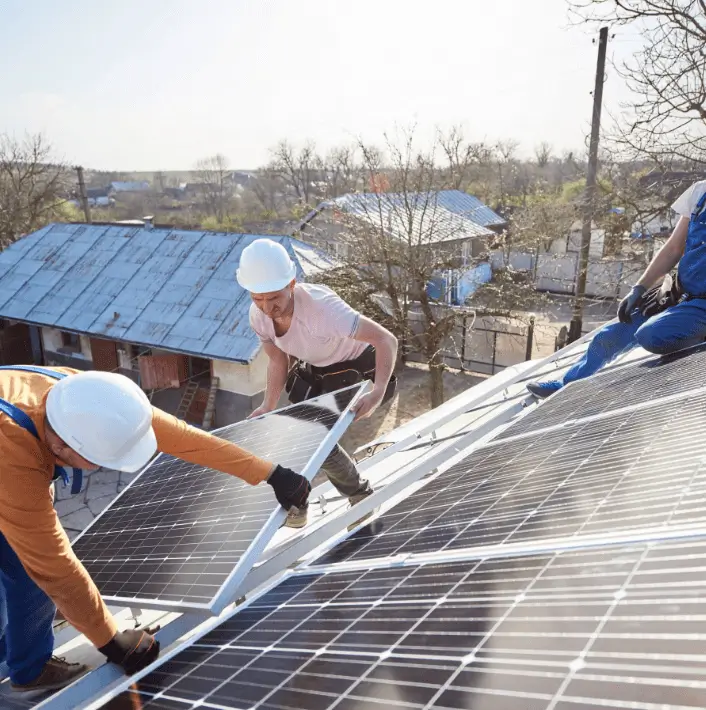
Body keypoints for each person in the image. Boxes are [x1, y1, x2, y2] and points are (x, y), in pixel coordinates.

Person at [0, 365, 309, 697]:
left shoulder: (81, 397)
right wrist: (111, 641)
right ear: (60, 447)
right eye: (98, 460)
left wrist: (269, 473)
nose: (104, 467)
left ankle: (23, 661)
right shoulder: (14, 455)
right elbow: (54, 565)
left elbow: (183, 437)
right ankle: (29, 669)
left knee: (24, 570)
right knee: (32, 566)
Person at [237, 238, 399, 528]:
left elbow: (386, 339)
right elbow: (278, 361)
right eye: (257, 298)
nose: (266, 307)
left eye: (273, 297)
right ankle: (298, 503)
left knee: (314, 438)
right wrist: (267, 405)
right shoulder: (258, 316)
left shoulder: (323, 310)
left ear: (291, 284)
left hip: (358, 367)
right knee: (292, 432)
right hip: (316, 366)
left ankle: (361, 497)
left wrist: (378, 392)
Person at [526, 179, 706, 399]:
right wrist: (639, 288)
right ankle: (566, 386)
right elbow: (673, 249)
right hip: (679, 295)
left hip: (703, 308)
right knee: (610, 335)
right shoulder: (700, 192)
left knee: (652, 335)